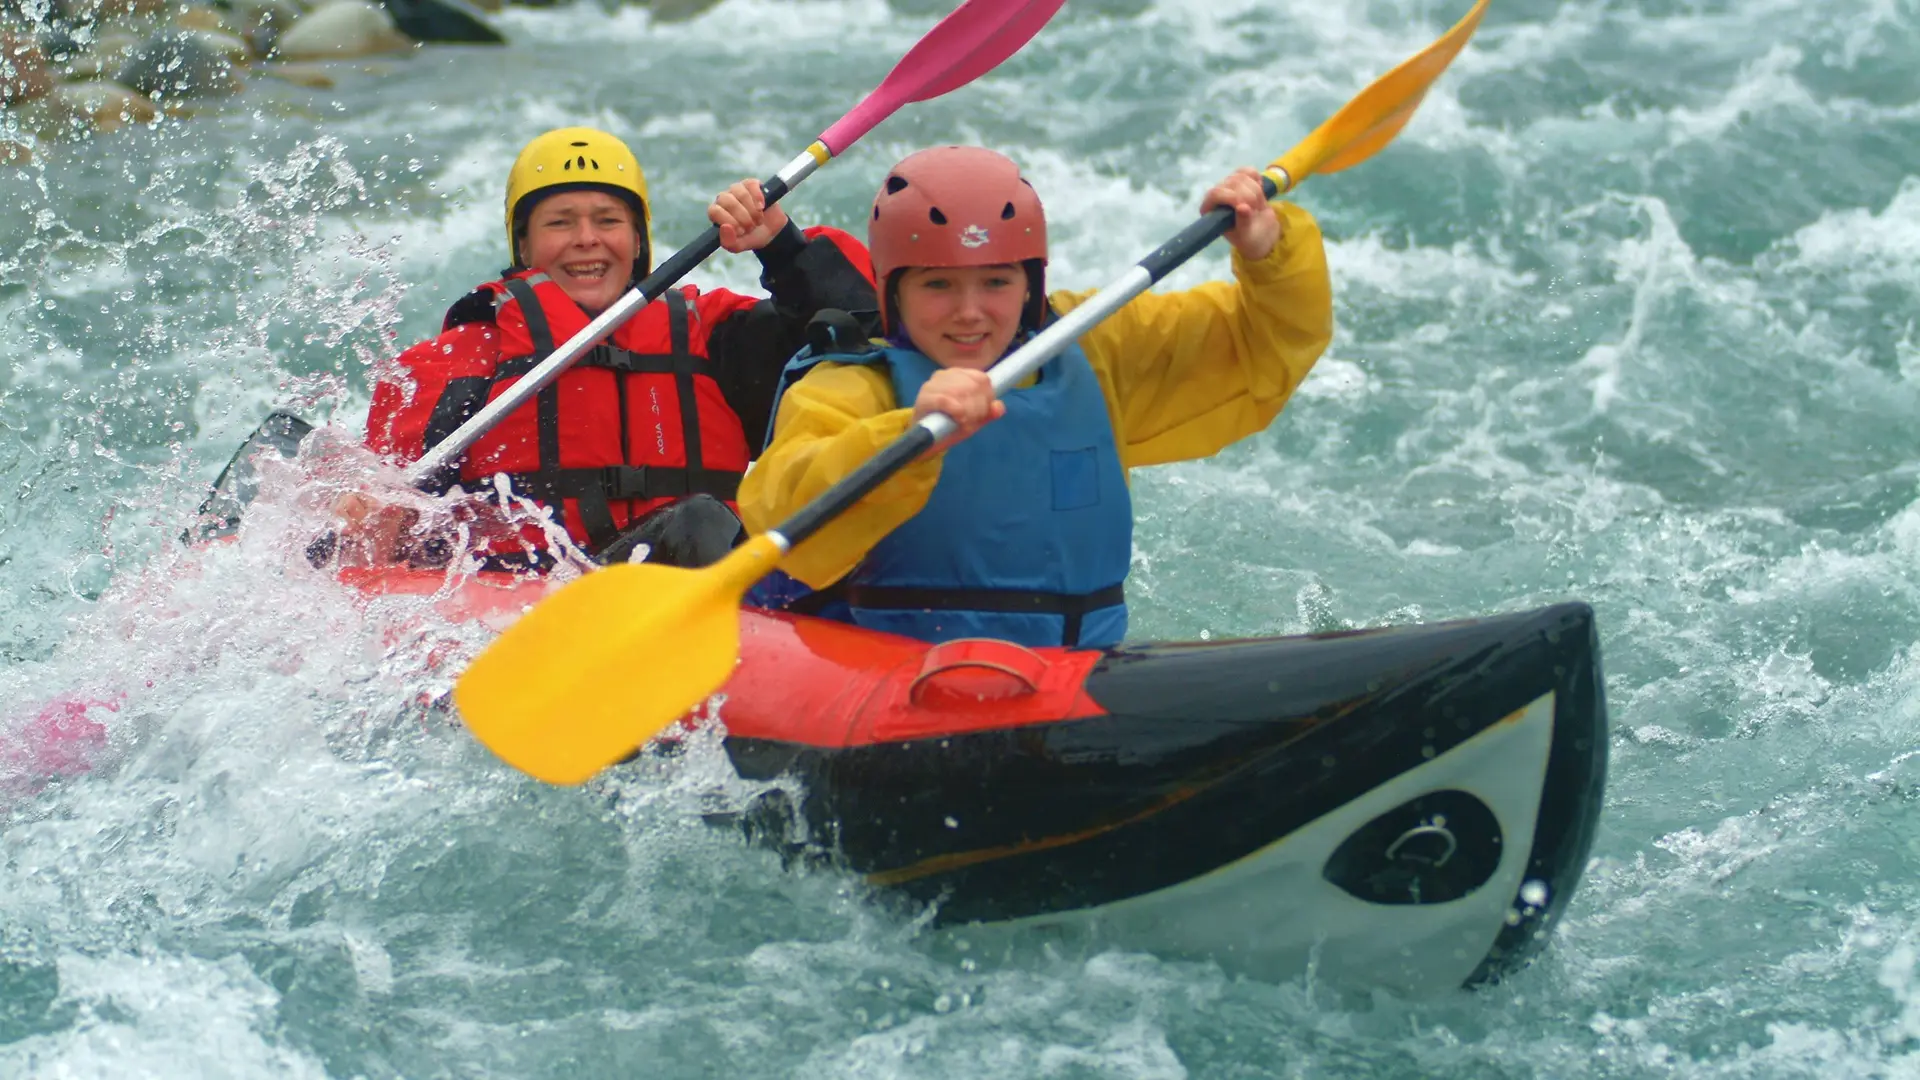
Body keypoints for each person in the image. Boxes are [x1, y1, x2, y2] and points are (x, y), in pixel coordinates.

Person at [738, 146, 1334, 648]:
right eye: (939, 284)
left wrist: (1267, 252)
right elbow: (780, 510)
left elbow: (1262, 346)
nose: (970, 312)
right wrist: (905, 434)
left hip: (1071, 677)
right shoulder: (850, 383)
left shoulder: (1094, 346)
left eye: (996, 281)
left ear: (1030, 284)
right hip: (892, 684)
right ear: (893, 289)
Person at [340, 126, 877, 570]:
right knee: (698, 522)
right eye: (560, 222)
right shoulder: (454, 364)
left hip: (694, 592)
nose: (587, 239)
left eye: (608, 220)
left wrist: (782, 246)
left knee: (702, 522)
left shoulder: (711, 334)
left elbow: (868, 339)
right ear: (523, 246)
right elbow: (385, 524)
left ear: (639, 241)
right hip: (525, 607)